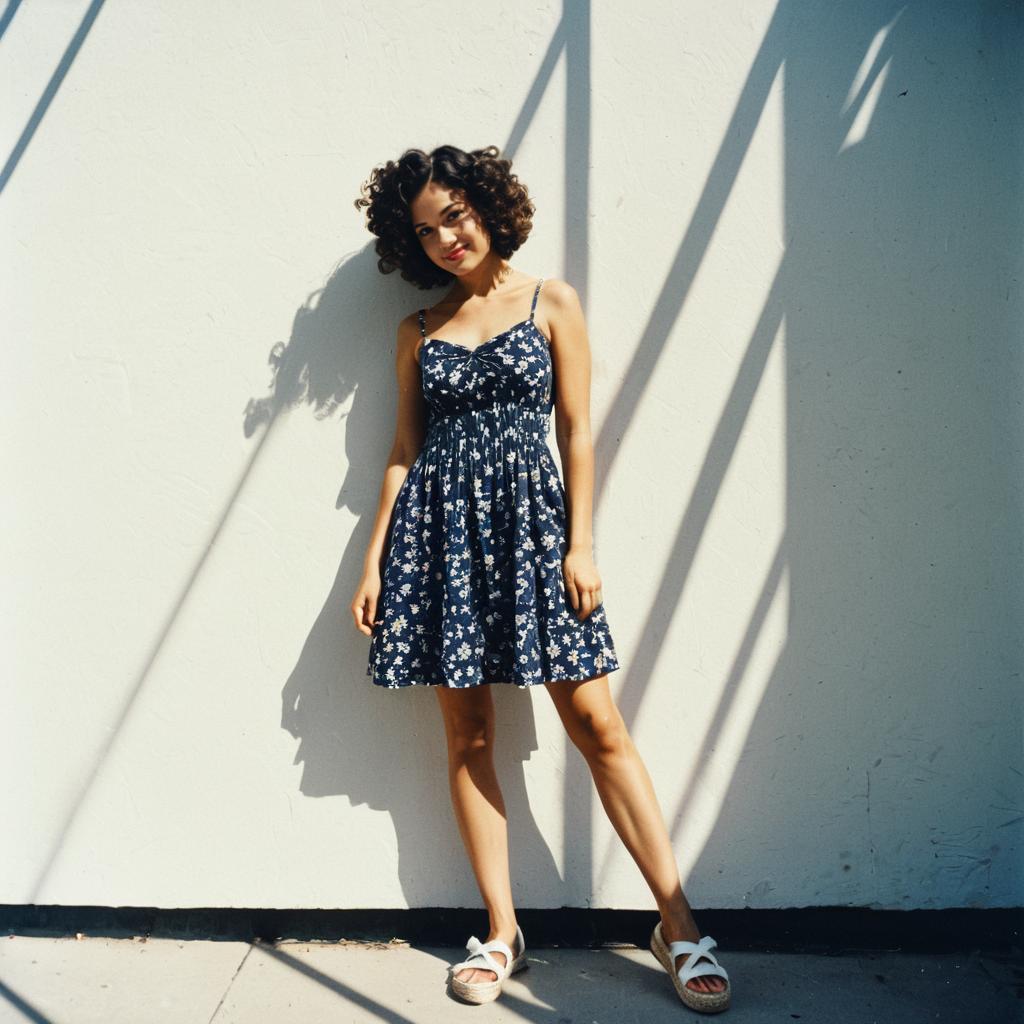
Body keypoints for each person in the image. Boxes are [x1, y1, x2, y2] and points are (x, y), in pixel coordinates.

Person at [350, 144, 731, 1014]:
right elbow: (404, 453)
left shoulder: (549, 300)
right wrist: (375, 562)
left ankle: (675, 925)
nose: (448, 238)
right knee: (471, 736)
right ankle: (500, 930)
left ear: (485, 204)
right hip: (437, 542)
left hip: (536, 535)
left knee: (595, 721)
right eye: (426, 230)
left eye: (456, 214)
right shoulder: (417, 332)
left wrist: (582, 543)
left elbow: (577, 429)